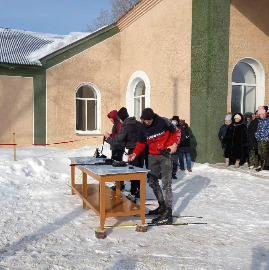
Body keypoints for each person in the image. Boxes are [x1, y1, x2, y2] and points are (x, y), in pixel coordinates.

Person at [128, 108, 180, 225]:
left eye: (149, 120)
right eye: (145, 120)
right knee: (151, 180)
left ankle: (168, 213)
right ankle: (161, 206)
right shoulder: (142, 128)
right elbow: (141, 143)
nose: (147, 122)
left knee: (166, 184)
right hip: (152, 156)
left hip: (165, 155)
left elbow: (176, 131)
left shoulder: (163, 121)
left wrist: (175, 144)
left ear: (153, 117)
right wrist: (135, 153)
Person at [105, 107, 143, 200]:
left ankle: (134, 193)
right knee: (139, 171)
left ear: (120, 118)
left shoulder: (125, 126)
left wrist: (108, 138)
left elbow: (118, 141)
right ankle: (139, 191)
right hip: (142, 149)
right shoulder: (137, 123)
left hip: (133, 151)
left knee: (133, 171)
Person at [106, 110, 125, 190]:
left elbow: (118, 137)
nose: (110, 120)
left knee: (118, 166)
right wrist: (109, 137)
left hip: (118, 148)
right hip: (115, 147)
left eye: (110, 118)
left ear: (114, 117)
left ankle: (120, 184)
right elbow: (115, 135)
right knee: (116, 165)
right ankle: (118, 183)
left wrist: (109, 137)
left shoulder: (119, 124)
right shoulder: (116, 124)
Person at [254, 106, 269, 171]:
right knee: (260, 153)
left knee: (265, 153)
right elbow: (255, 130)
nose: (262, 116)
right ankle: (262, 166)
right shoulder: (258, 121)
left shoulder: (267, 120)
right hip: (259, 139)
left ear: (265, 114)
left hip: (266, 139)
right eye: (261, 114)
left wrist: (266, 135)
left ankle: (264, 166)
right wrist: (257, 136)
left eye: (263, 114)